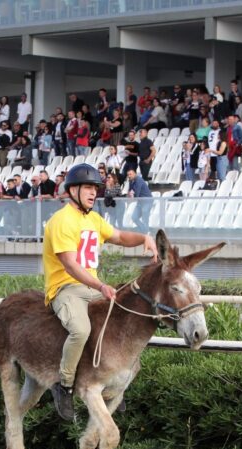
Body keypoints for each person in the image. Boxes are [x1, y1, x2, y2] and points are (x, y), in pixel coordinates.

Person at [43, 164, 157, 421]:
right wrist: (100, 286)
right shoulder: (61, 221)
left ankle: (113, 380)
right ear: (73, 190)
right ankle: (64, 385)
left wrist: (143, 238)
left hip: (90, 287)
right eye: (88, 188)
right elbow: (70, 265)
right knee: (81, 330)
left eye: (95, 188)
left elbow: (118, 236)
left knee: (122, 320)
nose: (94, 193)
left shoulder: (93, 219)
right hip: (65, 288)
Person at [126, 168, 153, 233]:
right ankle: (144, 230)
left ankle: (146, 233)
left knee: (145, 218)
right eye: (128, 175)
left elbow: (137, 194)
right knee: (134, 217)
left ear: (135, 174)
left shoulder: (139, 180)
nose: (129, 176)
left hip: (147, 201)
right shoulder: (130, 181)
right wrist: (129, 195)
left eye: (130, 174)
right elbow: (130, 191)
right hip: (140, 202)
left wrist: (130, 198)